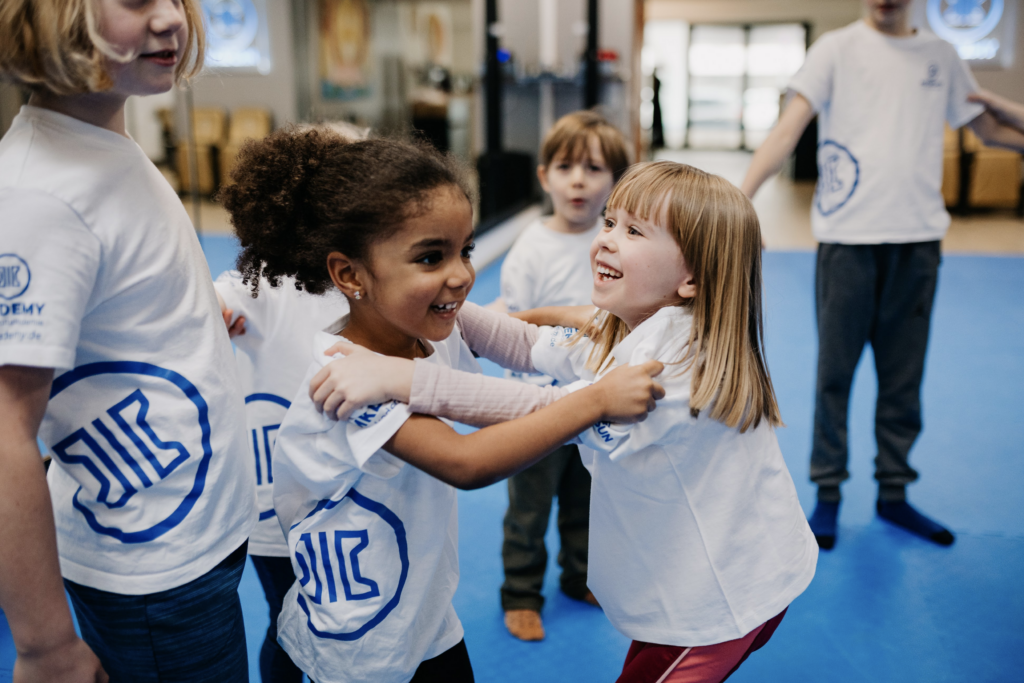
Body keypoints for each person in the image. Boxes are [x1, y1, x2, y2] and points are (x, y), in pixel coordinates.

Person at [316, 160, 818, 683]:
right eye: (610, 222)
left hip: (718, 601)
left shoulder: (672, 367)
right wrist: (439, 299)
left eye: (634, 231)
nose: (606, 241)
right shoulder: (633, 325)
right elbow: (528, 344)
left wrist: (399, 378)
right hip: (711, 572)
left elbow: (542, 410)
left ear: (690, 278)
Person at [219, 128, 665, 683]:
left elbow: (519, 341)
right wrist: (593, 402)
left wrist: (595, 327)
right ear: (351, 275)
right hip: (366, 629)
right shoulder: (347, 378)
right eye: (431, 257)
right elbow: (466, 462)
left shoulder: (431, 317)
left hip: (425, 604)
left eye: (465, 250)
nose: (459, 275)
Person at [0, 1, 258, 682]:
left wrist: (194, 317)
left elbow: (108, 308)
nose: (172, 18)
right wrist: (45, 644)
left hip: (192, 535)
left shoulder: (100, 144)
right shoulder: (41, 194)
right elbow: (3, 430)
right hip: (152, 574)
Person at [740, 0, 1024, 550]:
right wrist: (739, 202)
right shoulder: (836, 49)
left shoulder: (940, 54)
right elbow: (786, 131)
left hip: (917, 245)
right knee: (834, 375)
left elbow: (990, 129)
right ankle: (828, 494)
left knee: (903, 378)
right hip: (848, 244)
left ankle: (894, 493)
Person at [213, 121, 367, 683]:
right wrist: (213, 310)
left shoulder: (365, 282)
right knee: (287, 626)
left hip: (353, 495)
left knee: (352, 625)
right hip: (275, 507)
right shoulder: (259, 285)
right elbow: (216, 295)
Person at [496, 110, 629, 641]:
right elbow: (514, 329)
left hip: (596, 399)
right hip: (538, 404)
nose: (579, 179)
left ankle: (581, 575)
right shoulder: (531, 246)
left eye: (594, 168)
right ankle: (521, 593)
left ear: (616, 182)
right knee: (528, 507)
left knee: (588, 498)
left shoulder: (617, 243)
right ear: (544, 175)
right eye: (566, 166)